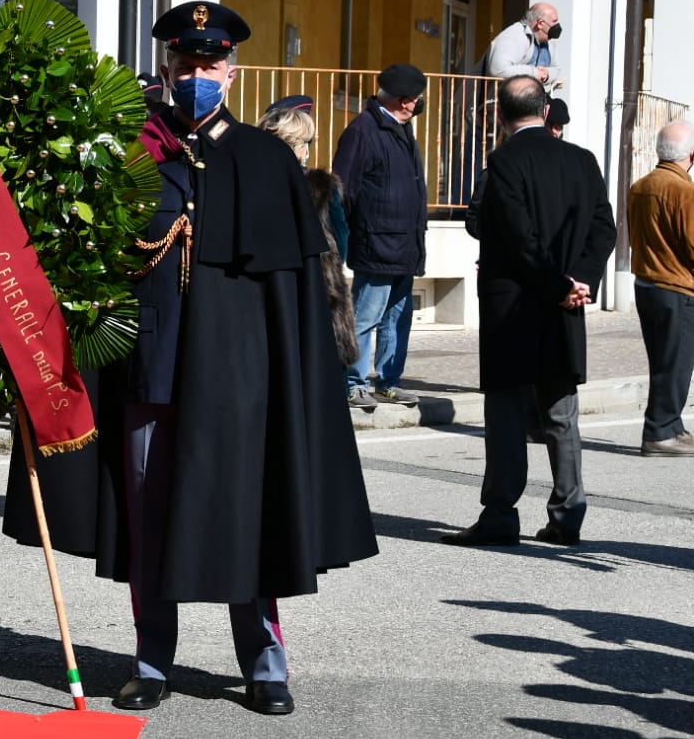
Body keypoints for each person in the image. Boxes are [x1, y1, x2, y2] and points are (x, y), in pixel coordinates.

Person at [4, 2, 378, 715]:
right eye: (185, 64)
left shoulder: (266, 160)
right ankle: (151, 662)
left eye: (209, 65)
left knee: (248, 515)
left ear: (231, 73)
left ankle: (264, 663)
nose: (196, 75)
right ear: (167, 68)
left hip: (241, 382)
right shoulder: (129, 152)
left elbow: (296, 295)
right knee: (150, 521)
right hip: (151, 369)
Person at [442, 75, 615, 548]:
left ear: (500, 115)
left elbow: (519, 237)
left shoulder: (503, 161)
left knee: (506, 413)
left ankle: (501, 513)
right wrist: (579, 282)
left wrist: (560, 285)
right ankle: (568, 513)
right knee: (561, 409)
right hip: (563, 303)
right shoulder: (582, 160)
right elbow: (604, 229)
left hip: (513, 304)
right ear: (545, 110)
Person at [331, 63, 429, 410]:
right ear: (401, 100)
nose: (417, 105)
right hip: (377, 244)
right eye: (414, 99)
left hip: (404, 244)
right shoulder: (363, 131)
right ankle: (353, 382)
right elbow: (343, 190)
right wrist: (348, 237)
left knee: (398, 318)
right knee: (365, 317)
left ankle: (389, 382)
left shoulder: (401, 128)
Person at [257, 96, 358, 368]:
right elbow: (342, 240)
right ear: (300, 147)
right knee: (319, 369)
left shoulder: (251, 181)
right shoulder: (320, 186)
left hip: (262, 295)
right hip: (318, 290)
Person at [626, 120, 694, 456]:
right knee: (677, 363)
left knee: (663, 361)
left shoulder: (640, 186)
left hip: (646, 285)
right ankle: (660, 431)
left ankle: (672, 427)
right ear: (691, 155)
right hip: (676, 286)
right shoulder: (684, 191)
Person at [483, 2, 563, 90]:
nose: (558, 25)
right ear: (540, 23)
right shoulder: (515, 36)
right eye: (554, 21)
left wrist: (547, 74)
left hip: (533, 95)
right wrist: (535, 73)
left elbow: (556, 68)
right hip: (503, 96)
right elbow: (498, 69)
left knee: (557, 100)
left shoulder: (548, 42)